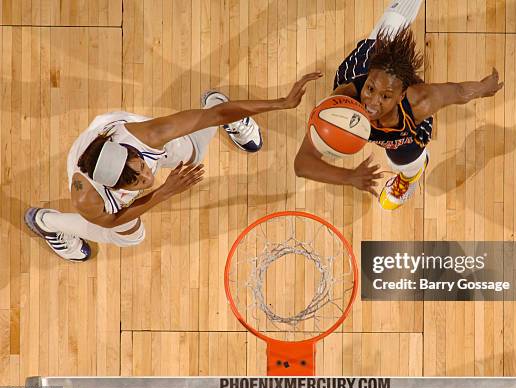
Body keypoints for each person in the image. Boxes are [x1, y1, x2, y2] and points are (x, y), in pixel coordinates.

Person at [25, 72, 322, 262]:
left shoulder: (145, 136)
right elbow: (109, 221)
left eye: (140, 166)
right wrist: (163, 192)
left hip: (110, 128)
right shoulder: (88, 198)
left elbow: (217, 116)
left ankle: (217, 101)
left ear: (131, 151)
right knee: (131, 236)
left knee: (191, 153)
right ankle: (47, 223)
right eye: (136, 182)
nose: (148, 176)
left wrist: (281, 103)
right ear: (115, 188)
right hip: (99, 197)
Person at [294, 0, 503, 210]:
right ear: (366, 81)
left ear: (400, 95)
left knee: (405, 159)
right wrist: (349, 176)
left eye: (385, 97)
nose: (372, 103)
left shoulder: (420, 103)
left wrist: (484, 88)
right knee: (388, 30)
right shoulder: (342, 103)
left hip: (401, 132)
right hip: (362, 66)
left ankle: (410, 176)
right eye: (370, 89)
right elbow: (302, 164)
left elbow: (458, 92)